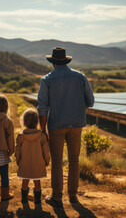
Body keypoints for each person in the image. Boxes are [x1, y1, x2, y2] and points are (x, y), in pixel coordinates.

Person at [37, 47, 95, 208]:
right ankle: (73, 196)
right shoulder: (80, 77)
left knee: (57, 162)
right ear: (66, 61)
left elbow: (42, 107)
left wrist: (43, 130)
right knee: (74, 160)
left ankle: (56, 197)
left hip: (56, 126)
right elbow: (90, 101)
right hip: (77, 125)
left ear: (53, 62)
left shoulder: (47, 80)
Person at [15, 108, 50, 205]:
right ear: (37, 121)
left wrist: (18, 160)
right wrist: (47, 161)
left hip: (24, 162)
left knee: (25, 180)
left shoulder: (21, 136)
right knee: (37, 181)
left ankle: (24, 199)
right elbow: (46, 151)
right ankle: (38, 200)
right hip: (38, 163)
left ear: (24, 121)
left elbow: (17, 150)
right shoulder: (41, 136)